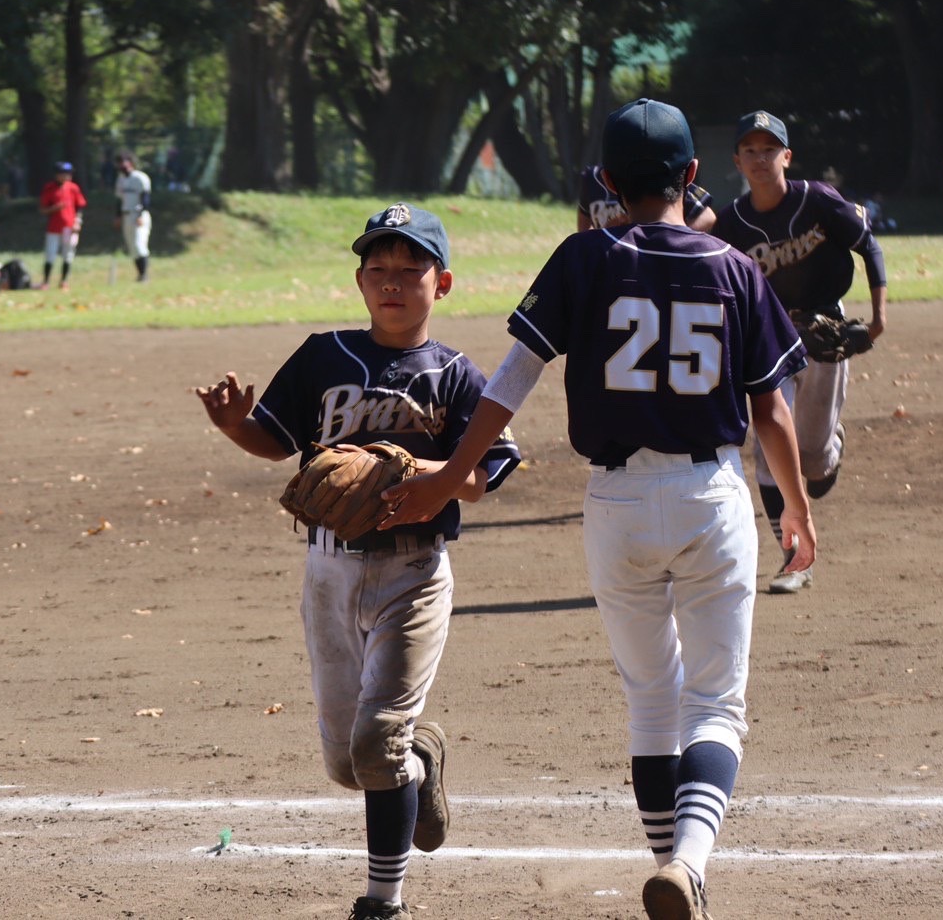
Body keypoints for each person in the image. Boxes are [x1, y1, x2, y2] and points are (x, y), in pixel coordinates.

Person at [382, 99, 816, 920]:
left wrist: (449, 475)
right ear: (693, 177)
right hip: (710, 498)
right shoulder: (732, 266)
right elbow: (772, 410)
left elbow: (512, 378)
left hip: (615, 503)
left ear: (609, 184)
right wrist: (794, 509)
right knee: (716, 704)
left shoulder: (585, 255)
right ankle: (687, 863)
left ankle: (670, 867)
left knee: (653, 699)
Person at [193, 203, 521, 920]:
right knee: (351, 764)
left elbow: (484, 473)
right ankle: (423, 764)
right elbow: (276, 441)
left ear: (445, 281)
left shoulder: (457, 375)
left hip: (414, 573)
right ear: (359, 280)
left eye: (411, 270)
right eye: (379, 269)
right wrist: (233, 427)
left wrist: (413, 466)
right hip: (328, 575)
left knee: (376, 742)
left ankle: (384, 901)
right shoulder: (323, 356)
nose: (393, 283)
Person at [711, 110, 886, 593]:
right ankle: (794, 559)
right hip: (769, 341)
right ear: (738, 162)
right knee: (770, 449)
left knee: (813, 462)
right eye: (750, 150)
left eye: (770, 149)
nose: (760, 158)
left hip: (825, 333)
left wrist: (878, 319)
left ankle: (832, 447)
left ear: (787, 156)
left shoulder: (818, 201)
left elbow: (868, 246)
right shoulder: (731, 223)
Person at [577, 162, 717, 233]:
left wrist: (669, 237)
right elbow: (584, 223)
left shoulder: (661, 175)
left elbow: (708, 217)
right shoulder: (593, 177)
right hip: (611, 261)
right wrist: (603, 236)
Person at [37, 161, 87, 290]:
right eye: (63, 174)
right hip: (53, 228)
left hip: (69, 228)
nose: (66, 176)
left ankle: (64, 281)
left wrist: (78, 222)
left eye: (68, 174)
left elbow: (80, 206)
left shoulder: (73, 188)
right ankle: (46, 282)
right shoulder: (49, 188)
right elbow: (42, 209)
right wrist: (55, 208)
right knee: (50, 254)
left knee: (68, 255)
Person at [114, 151, 152, 282]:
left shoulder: (140, 177)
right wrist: (118, 216)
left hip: (138, 215)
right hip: (126, 215)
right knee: (132, 247)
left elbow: (145, 198)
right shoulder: (120, 179)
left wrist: (141, 214)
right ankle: (140, 274)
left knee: (139, 244)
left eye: (123, 161)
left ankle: (144, 274)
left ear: (130, 162)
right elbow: (120, 200)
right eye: (119, 162)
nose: (121, 165)